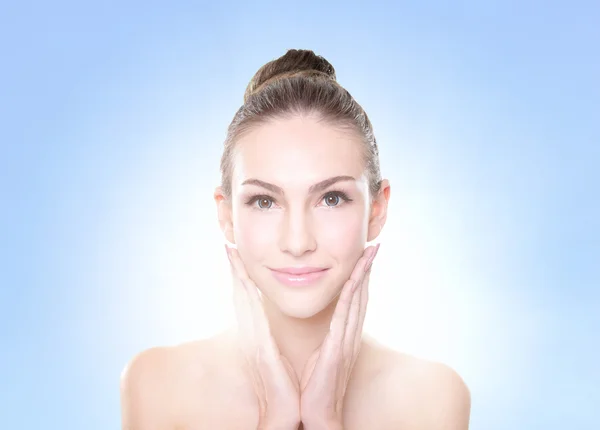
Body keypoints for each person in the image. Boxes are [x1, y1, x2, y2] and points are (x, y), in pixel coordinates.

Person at [120, 49, 471, 430]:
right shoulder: (159, 387)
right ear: (227, 214)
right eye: (265, 201)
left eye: (331, 199)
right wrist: (276, 419)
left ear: (377, 209)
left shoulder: (433, 400)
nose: (298, 241)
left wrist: (325, 419)